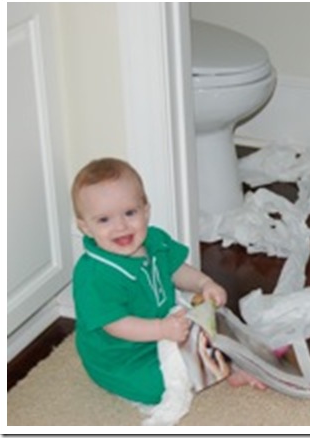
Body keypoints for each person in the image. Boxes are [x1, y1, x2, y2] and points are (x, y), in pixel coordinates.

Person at [71, 157, 265, 408]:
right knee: (159, 386)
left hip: (167, 326)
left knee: (220, 330)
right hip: (122, 356)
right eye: (104, 220)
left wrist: (204, 284)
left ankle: (229, 364)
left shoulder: (154, 240)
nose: (120, 226)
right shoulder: (94, 275)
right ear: (85, 227)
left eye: (130, 213)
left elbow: (175, 270)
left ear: (145, 211)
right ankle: (211, 366)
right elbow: (116, 324)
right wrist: (161, 330)